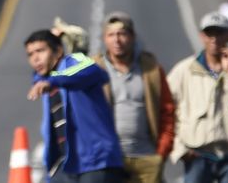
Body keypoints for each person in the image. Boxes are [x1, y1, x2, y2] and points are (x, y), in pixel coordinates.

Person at [170, 11, 228, 183]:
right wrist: (179, 148)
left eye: (219, 33)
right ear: (202, 36)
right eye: (209, 33)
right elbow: (168, 109)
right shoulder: (184, 70)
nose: (214, 38)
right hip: (198, 154)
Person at [24, 27, 128, 183]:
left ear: (58, 51)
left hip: (95, 163)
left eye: (40, 51)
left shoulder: (72, 62)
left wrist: (53, 81)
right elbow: (38, 77)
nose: (35, 58)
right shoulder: (43, 79)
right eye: (30, 54)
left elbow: (95, 72)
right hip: (63, 167)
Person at [97, 13, 176, 183]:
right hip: (111, 160)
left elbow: (167, 111)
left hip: (147, 157)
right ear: (104, 39)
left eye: (122, 34)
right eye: (111, 35)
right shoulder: (94, 70)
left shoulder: (151, 69)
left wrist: (161, 153)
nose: (117, 40)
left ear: (132, 37)